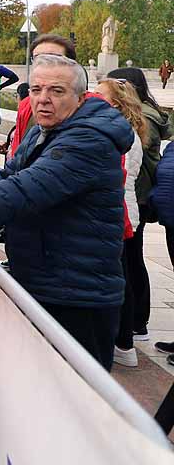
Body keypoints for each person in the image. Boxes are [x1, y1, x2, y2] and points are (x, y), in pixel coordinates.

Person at [0, 54, 132, 370]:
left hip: (76, 300)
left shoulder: (88, 141)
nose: (43, 100)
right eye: (36, 89)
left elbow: (21, 192)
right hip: (46, 284)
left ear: (82, 97)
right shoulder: (43, 130)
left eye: (56, 91)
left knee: (75, 411)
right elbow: (7, 177)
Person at [107, 67, 170, 347]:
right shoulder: (144, 114)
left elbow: (140, 160)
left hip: (138, 195)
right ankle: (135, 321)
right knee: (132, 259)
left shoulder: (142, 118)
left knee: (132, 260)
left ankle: (137, 322)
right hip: (139, 194)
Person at [95, 79, 146, 368]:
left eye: (100, 95)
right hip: (121, 212)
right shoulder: (119, 130)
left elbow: (123, 176)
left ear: (115, 103)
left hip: (122, 214)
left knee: (121, 279)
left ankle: (124, 342)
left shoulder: (123, 133)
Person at [9, 34, 77, 158]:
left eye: (53, 60)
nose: (43, 99)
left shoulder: (94, 109)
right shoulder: (26, 104)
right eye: (38, 60)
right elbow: (17, 153)